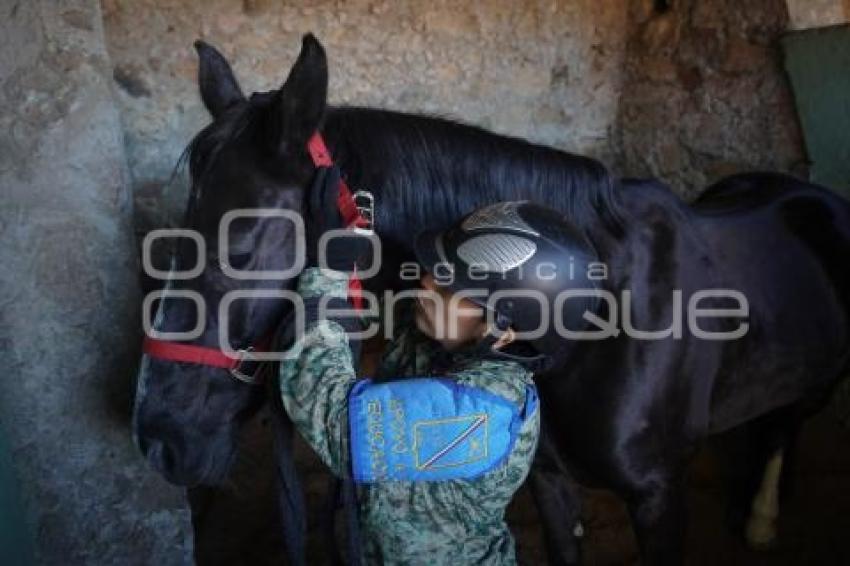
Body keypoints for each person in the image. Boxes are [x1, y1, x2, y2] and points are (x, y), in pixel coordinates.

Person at [279, 166, 598, 564]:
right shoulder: (448, 344)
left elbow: (332, 418)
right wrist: (357, 233)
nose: (427, 283)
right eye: (438, 270)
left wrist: (325, 276)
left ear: (505, 329)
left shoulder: (479, 414)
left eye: (450, 285)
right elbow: (390, 316)